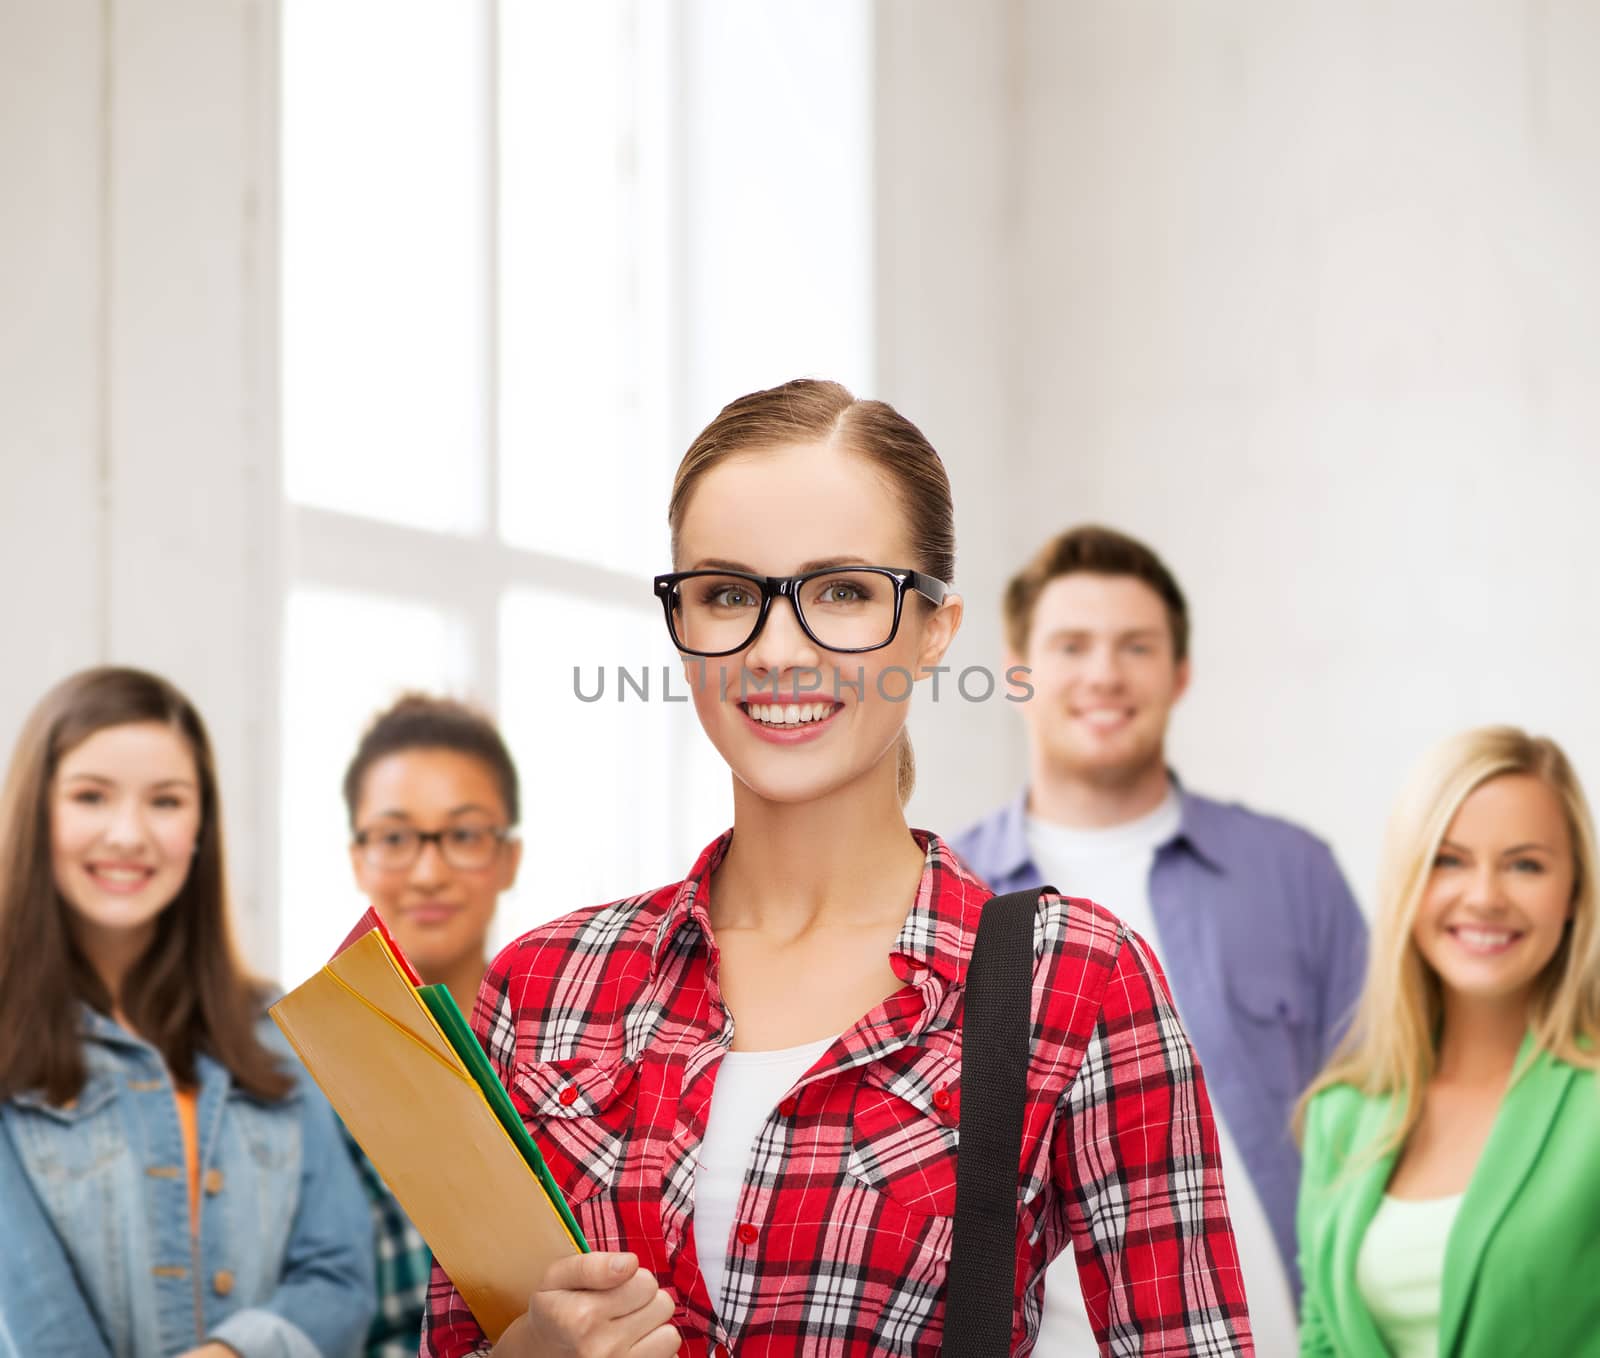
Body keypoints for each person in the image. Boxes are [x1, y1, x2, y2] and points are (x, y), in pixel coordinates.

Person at [422, 379, 1252, 1357]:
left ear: (934, 630)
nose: (777, 649)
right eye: (727, 593)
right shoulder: (545, 983)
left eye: (844, 593)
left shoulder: (1074, 983)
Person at [953, 524, 1368, 1353]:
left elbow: (1386, 1115)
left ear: (1179, 674)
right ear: (1019, 675)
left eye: (1135, 646)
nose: (1104, 673)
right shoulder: (940, 896)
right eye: (1072, 645)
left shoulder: (1294, 872)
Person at [0, 666, 374, 1357]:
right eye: (90, 796)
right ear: (37, 812)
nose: (128, 834)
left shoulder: (273, 1030)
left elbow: (342, 1280)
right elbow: (38, 1322)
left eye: (166, 802)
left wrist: (230, 1354)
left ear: (201, 824)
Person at [1296, 727, 1600, 1356]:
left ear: (1574, 892)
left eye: (1525, 864)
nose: (1485, 896)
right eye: (1448, 859)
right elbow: (1322, 1335)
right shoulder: (1341, 1114)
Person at [339, 694, 525, 1357]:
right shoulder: (307, 1069)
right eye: (395, 838)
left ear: (509, 858)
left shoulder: (564, 1057)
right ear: (358, 858)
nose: (428, 872)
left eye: (464, 835)